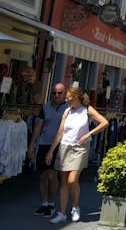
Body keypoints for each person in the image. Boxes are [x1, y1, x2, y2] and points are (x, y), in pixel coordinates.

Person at [46, 87, 108, 224]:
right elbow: (60, 132)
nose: (67, 99)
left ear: (77, 97)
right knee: (63, 181)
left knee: (72, 180)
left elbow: (104, 122)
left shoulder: (87, 109)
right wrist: (51, 151)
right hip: (65, 147)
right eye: (66, 97)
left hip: (80, 148)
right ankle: (62, 213)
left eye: (69, 97)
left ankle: (75, 207)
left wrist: (88, 134)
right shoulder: (67, 111)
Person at [28, 83, 68, 217]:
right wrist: (32, 144)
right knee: (43, 175)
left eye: (59, 93)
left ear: (65, 94)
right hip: (44, 143)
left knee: (52, 174)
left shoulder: (68, 108)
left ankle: (51, 204)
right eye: (54, 93)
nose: (56, 95)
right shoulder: (45, 107)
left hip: (59, 145)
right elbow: (39, 125)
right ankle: (44, 204)